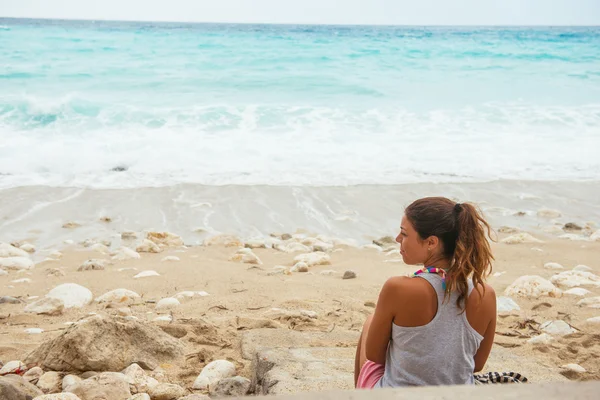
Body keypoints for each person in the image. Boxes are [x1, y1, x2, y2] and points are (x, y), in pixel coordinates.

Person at [354, 197, 497, 388]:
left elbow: (374, 357)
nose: (397, 239)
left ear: (431, 242)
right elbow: (476, 365)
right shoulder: (485, 294)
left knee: (371, 320)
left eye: (404, 234)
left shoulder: (398, 288)